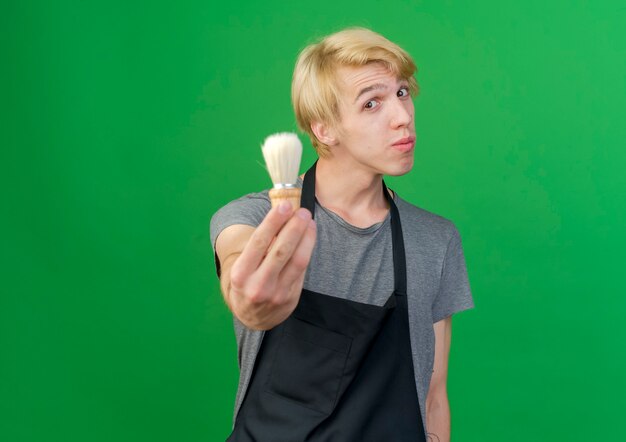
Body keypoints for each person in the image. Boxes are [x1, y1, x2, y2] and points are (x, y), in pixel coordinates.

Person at [210, 27, 474, 442]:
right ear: (324, 130)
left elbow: (433, 397)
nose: (402, 116)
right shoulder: (255, 215)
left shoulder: (434, 240)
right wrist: (249, 300)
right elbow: (237, 260)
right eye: (372, 103)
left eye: (402, 92)